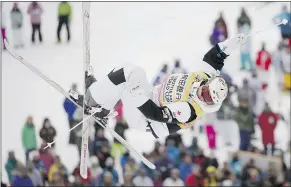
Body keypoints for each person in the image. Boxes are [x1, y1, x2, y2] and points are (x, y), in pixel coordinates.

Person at [69, 34, 248, 139]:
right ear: (209, 82)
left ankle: (95, 101)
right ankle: (100, 101)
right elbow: (215, 57)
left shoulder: (191, 110)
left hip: (146, 119)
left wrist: (135, 94)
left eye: (209, 98)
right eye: (207, 91)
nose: (204, 95)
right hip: (151, 96)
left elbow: (156, 114)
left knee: (129, 78)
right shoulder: (203, 76)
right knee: (128, 70)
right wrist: (231, 43)